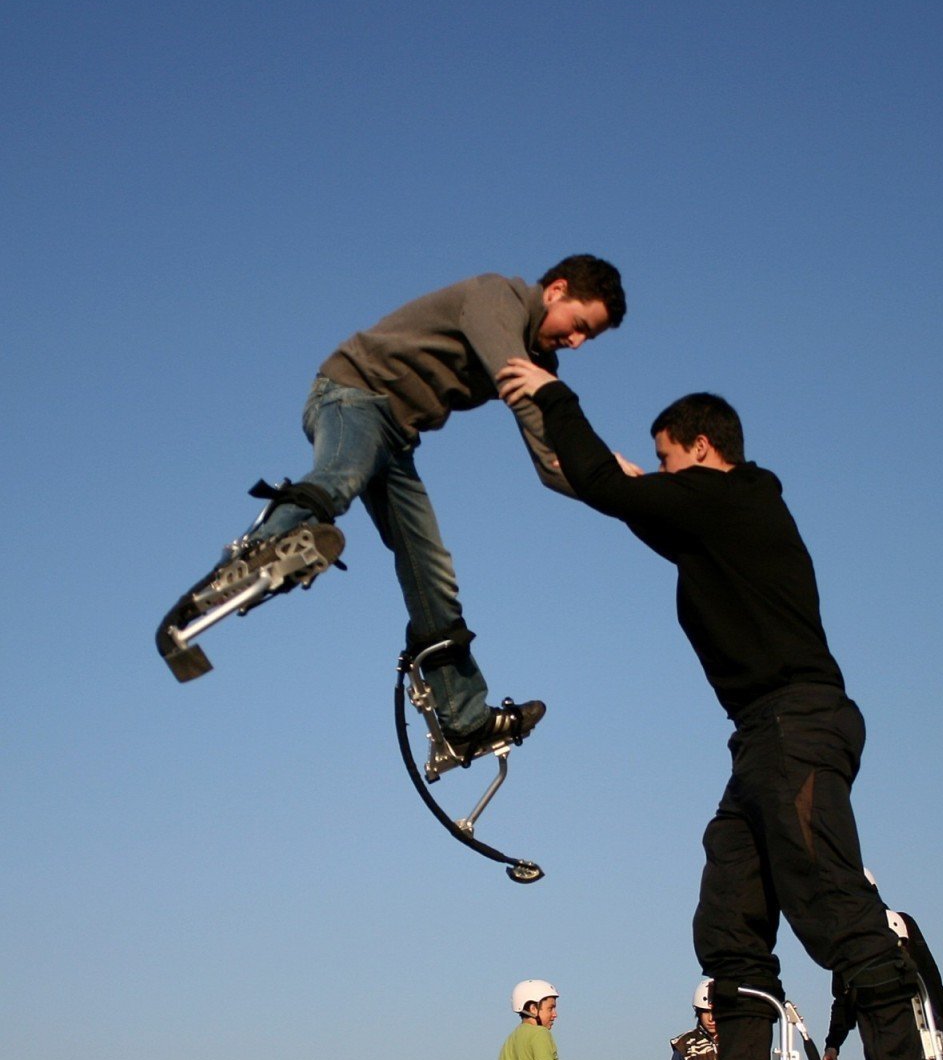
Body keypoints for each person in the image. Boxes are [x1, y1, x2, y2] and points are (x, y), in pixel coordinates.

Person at [495, 362, 942, 1060]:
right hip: (759, 738)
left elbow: (611, 486)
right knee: (729, 922)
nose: (660, 471)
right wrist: (601, 468)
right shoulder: (717, 515)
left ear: (701, 450)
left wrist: (549, 392)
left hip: (797, 724)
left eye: (666, 458)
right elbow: (623, 488)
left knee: (831, 901)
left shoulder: (738, 497)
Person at [160, 257, 626, 762]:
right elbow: (523, 396)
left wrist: (626, 492)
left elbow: (550, 463)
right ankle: (253, 555)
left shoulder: (539, 364)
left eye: (589, 339)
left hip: (395, 439)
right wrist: (600, 468)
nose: (577, 343)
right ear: (555, 291)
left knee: (431, 570)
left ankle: (462, 721)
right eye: (579, 326)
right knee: (340, 478)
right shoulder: (499, 300)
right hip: (351, 394)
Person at [824, 872, 943, 1060]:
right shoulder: (847, 943)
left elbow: (929, 978)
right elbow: (843, 999)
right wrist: (833, 1043)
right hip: (889, 1051)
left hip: (921, 1040)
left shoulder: (898, 925)